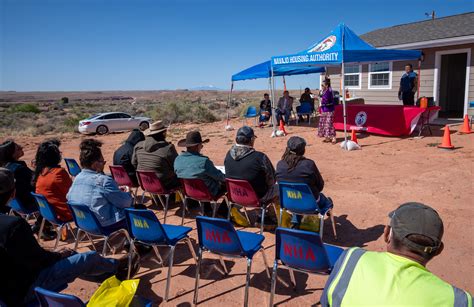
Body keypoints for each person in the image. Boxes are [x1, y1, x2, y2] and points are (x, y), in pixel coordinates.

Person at [0, 168, 138, 306]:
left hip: (8, 289)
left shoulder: (10, 223)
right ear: (13, 193)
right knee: (87, 258)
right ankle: (119, 267)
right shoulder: (13, 225)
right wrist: (58, 256)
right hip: (25, 289)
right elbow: (38, 259)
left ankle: (108, 275)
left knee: (72, 256)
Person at [321, 202, 472, 306]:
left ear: (386, 234)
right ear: (438, 251)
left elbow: (327, 301)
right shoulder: (459, 301)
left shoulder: (351, 259)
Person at [67, 139, 133, 233]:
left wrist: (115, 190)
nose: (103, 165)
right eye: (103, 162)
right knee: (136, 210)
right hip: (104, 225)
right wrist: (127, 193)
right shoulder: (103, 180)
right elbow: (125, 203)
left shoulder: (77, 178)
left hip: (84, 223)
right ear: (95, 164)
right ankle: (138, 244)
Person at [0, 140, 56, 239]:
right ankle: (42, 227)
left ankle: (41, 226)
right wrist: (39, 168)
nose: (22, 148)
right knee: (49, 198)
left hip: (15, 203)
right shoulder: (19, 168)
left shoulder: (5, 167)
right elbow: (37, 179)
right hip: (26, 202)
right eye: (18, 148)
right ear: (12, 154)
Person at [224, 126, 278, 227]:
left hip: (236, 196)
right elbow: (272, 179)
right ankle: (271, 218)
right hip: (256, 198)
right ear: (251, 140)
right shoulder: (260, 157)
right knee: (278, 189)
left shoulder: (228, 154)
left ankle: (262, 216)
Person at [275, 136, 332, 228]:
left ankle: (297, 219)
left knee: (298, 196)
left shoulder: (280, 164)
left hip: (287, 203)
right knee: (327, 201)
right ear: (303, 150)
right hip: (310, 205)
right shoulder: (309, 164)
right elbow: (320, 186)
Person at [174, 131, 227, 216]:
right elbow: (220, 177)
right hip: (207, 193)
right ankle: (223, 211)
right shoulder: (204, 161)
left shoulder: (178, 159)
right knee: (226, 184)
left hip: (189, 192)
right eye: (201, 146)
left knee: (202, 178)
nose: (201, 148)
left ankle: (208, 209)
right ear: (197, 146)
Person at [132, 121, 180, 191]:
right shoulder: (168, 148)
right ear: (163, 133)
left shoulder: (138, 146)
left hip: (144, 182)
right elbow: (176, 167)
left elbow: (134, 163)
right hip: (163, 184)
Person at [34, 139, 73, 222]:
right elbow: (72, 194)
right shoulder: (58, 173)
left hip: (49, 213)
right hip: (64, 213)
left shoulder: (40, 172)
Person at [317, 78, 337, 144]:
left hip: (329, 110)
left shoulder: (329, 91)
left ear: (327, 85)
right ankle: (327, 137)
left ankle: (334, 137)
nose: (321, 86)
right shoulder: (324, 91)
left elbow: (327, 99)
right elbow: (322, 98)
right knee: (324, 123)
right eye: (321, 85)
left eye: (323, 85)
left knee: (329, 123)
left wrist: (321, 97)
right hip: (324, 109)